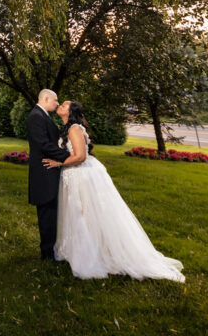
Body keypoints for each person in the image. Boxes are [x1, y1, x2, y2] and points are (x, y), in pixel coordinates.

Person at [44, 100, 185, 282]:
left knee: (85, 214)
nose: (60, 106)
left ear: (71, 112)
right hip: (74, 174)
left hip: (82, 175)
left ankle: (94, 254)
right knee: (78, 214)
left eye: (64, 105)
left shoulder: (74, 129)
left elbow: (80, 156)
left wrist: (59, 163)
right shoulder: (67, 128)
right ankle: (80, 250)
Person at [25, 89, 71, 261]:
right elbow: (43, 144)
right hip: (44, 172)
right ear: (45, 99)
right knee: (47, 214)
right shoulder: (36, 116)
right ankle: (47, 254)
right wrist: (68, 156)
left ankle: (51, 250)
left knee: (51, 213)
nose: (57, 103)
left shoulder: (42, 115)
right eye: (55, 100)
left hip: (49, 170)